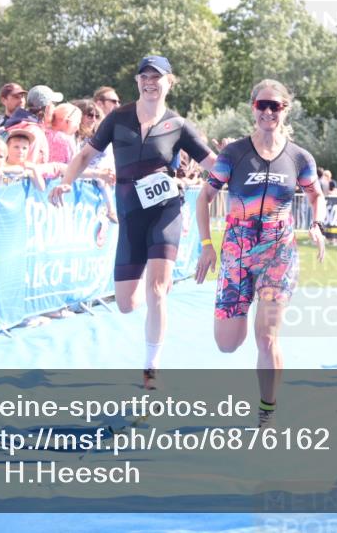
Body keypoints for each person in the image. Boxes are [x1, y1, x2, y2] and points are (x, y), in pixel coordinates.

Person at [50, 55, 216, 389]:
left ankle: (151, 369)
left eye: (158, 77)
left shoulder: (178, 125)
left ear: (170, 82)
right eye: (145, 77)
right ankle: (149, 285)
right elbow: (85, 155)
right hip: (129, 215)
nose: (151, 82)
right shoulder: (118, 118)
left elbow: (214, 162)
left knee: (157, 289)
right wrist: (67, 180)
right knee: (126, 304)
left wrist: (245, 183)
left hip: (165, 210)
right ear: (138, 82)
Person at [194, 79, 326, 428]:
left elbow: (317, 195)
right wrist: (207, 246)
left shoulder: (299, 157)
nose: (268, 112)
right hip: (237, 254)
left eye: (276, 106)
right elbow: (204, 197)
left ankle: (267, 410)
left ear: (286, 110)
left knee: (267, 338)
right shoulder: (233, 154)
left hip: (278, 254)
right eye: (262, 105)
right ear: (253, 107)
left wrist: (317, 224)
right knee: (228, 344)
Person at [4, 85, 61, 164]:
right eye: (53, 104)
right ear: (47, 107)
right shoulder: (34, 131)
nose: (55, 108)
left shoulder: (20, 122)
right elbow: (29, 166)